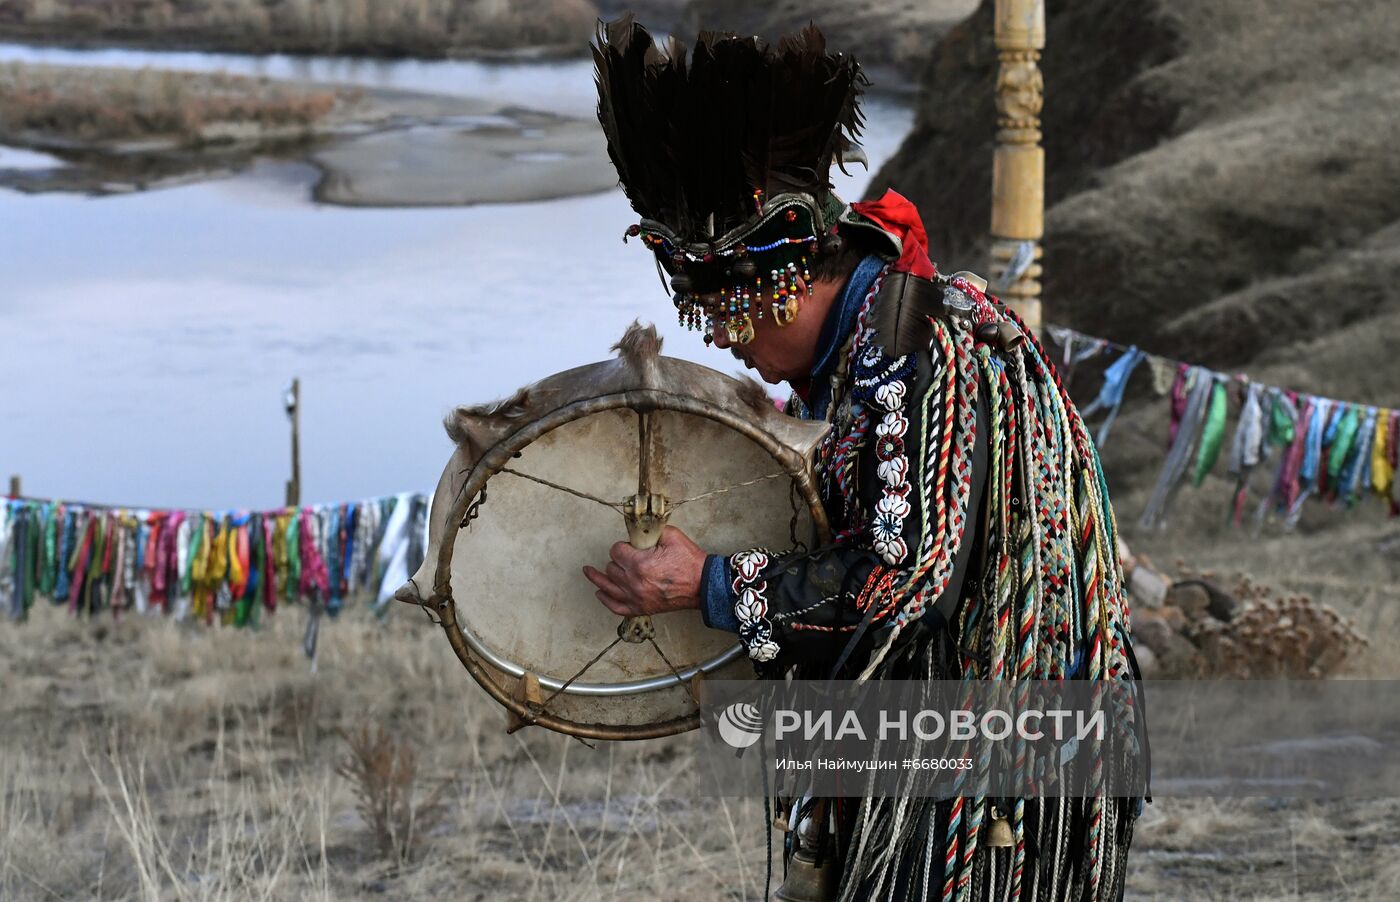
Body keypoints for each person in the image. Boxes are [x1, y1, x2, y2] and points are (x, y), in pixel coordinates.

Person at [584, 16, 1143, 900]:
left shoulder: (911, 350)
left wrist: (712, 585)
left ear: (794, 278)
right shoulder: (856, 360)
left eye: (736, 312)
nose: (728, 342)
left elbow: (907, 584)